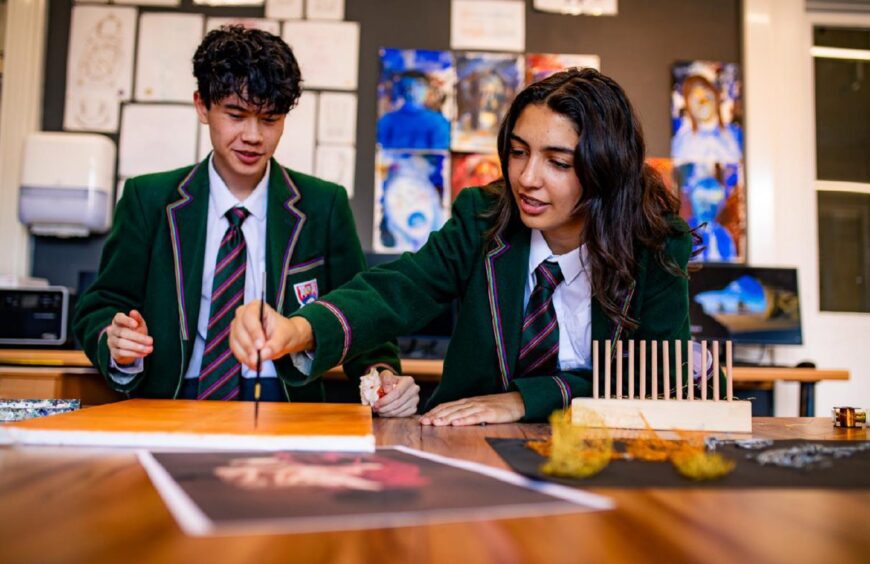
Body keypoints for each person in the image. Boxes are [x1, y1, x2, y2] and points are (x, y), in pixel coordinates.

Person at [231, 68, 709, 426]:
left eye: (557, 162)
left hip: (602, 457)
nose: (526, 178)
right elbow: (400, 288)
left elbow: (657, 381)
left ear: (605, 168)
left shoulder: (658, 245)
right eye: (519, 152)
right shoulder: (484, 216)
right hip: (469, 446)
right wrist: (299, 328)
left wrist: (529, 398)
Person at [74, 26, 417, 416]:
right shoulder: (148, 199)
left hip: (287, 404)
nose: (253, 136)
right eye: (236, 115)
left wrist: (382, 374)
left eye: (269, 119)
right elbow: (101, 305)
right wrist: (115, 340)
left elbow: (361, 317)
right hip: (171, 400)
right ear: (202, 106)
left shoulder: (324, 205)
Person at [377, 71, 450, 150]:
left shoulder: (438, 122)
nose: (410, 91)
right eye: (406, 87)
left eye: (418, 86)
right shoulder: (387, 121)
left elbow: (441, 155)